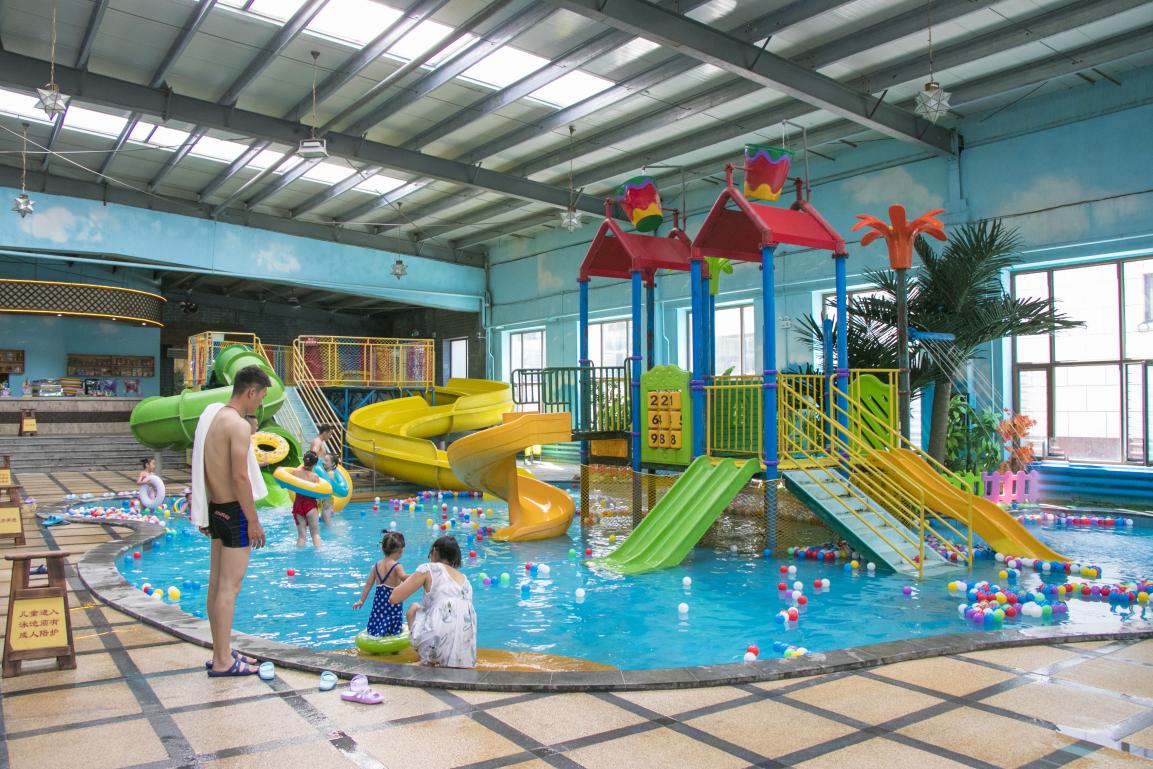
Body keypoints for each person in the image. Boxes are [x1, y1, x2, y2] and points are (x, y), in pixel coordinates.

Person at [194, 365, 270, 677]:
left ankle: (221, 652)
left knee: (216, 585)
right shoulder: (237, 425)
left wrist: (203, 511)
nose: (260, 403)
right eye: (261, 397)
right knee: (229, 588)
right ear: (251, 391)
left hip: (216, 508)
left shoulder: (213, 418)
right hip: (235, 511)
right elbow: (240, 477)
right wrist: (253, 521)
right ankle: (223, 662)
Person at [389, 535, 476, 668]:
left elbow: (394, 598)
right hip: (464, 651)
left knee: (414, 608)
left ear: (434, 551)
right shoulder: (465, 580)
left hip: (436, 644)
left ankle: (427, 658)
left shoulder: (429, 568)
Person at [352, 531, 407, 636]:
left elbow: (368, 584)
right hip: (393, 604)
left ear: (383, 548)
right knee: (392, 624)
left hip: (379, 604)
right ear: (401, 550)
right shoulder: (397, 566)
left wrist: (361, 600)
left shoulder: (376, 566)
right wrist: (417, 575)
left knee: (379, 618)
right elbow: (404, 578)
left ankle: (377, 633)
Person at [289, 452, 324, 548]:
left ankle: (299, 553)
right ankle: (319, 553)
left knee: (301, 537)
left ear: (303, 460)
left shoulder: (295, 472)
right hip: (310, 505)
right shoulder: (314, 476)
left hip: (298, 505)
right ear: (315, 464)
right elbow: (318, 494)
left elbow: (286, 484)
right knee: (315, 534)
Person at [310, 424, 337, 521]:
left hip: (319, 472)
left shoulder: (318, 441)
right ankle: (327, 523)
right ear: (325, 433)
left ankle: (322, 519)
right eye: (330, 434)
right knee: (327, 502)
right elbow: (313, 453)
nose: (330, 436)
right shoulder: (318, 441)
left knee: (325, 502)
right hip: (318, 473)